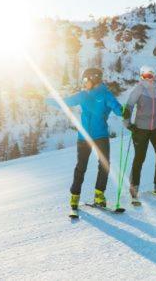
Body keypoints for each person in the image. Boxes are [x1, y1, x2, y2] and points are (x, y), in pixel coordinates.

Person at [46, 67, 123, 211]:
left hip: (101, 136)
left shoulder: (106, 94)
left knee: (104, 166)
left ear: (94, 79)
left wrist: (124, 111)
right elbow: (64, 102)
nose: (83, 83)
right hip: (84, 138)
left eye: (86, 80)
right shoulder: (82, 95)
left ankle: (99, 195)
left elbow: (117, 108)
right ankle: (74, 197)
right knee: (81, 167)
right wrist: (48, 100)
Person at [123, 65, 156, 200]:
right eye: (145, 76)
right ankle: (134, 186)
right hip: (141, 129)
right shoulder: (138, 89)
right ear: (141, 76)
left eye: (150, 75)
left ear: (154, 76)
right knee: (139, 158)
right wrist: (128, 124)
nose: (148, 78)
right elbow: (128, 106)